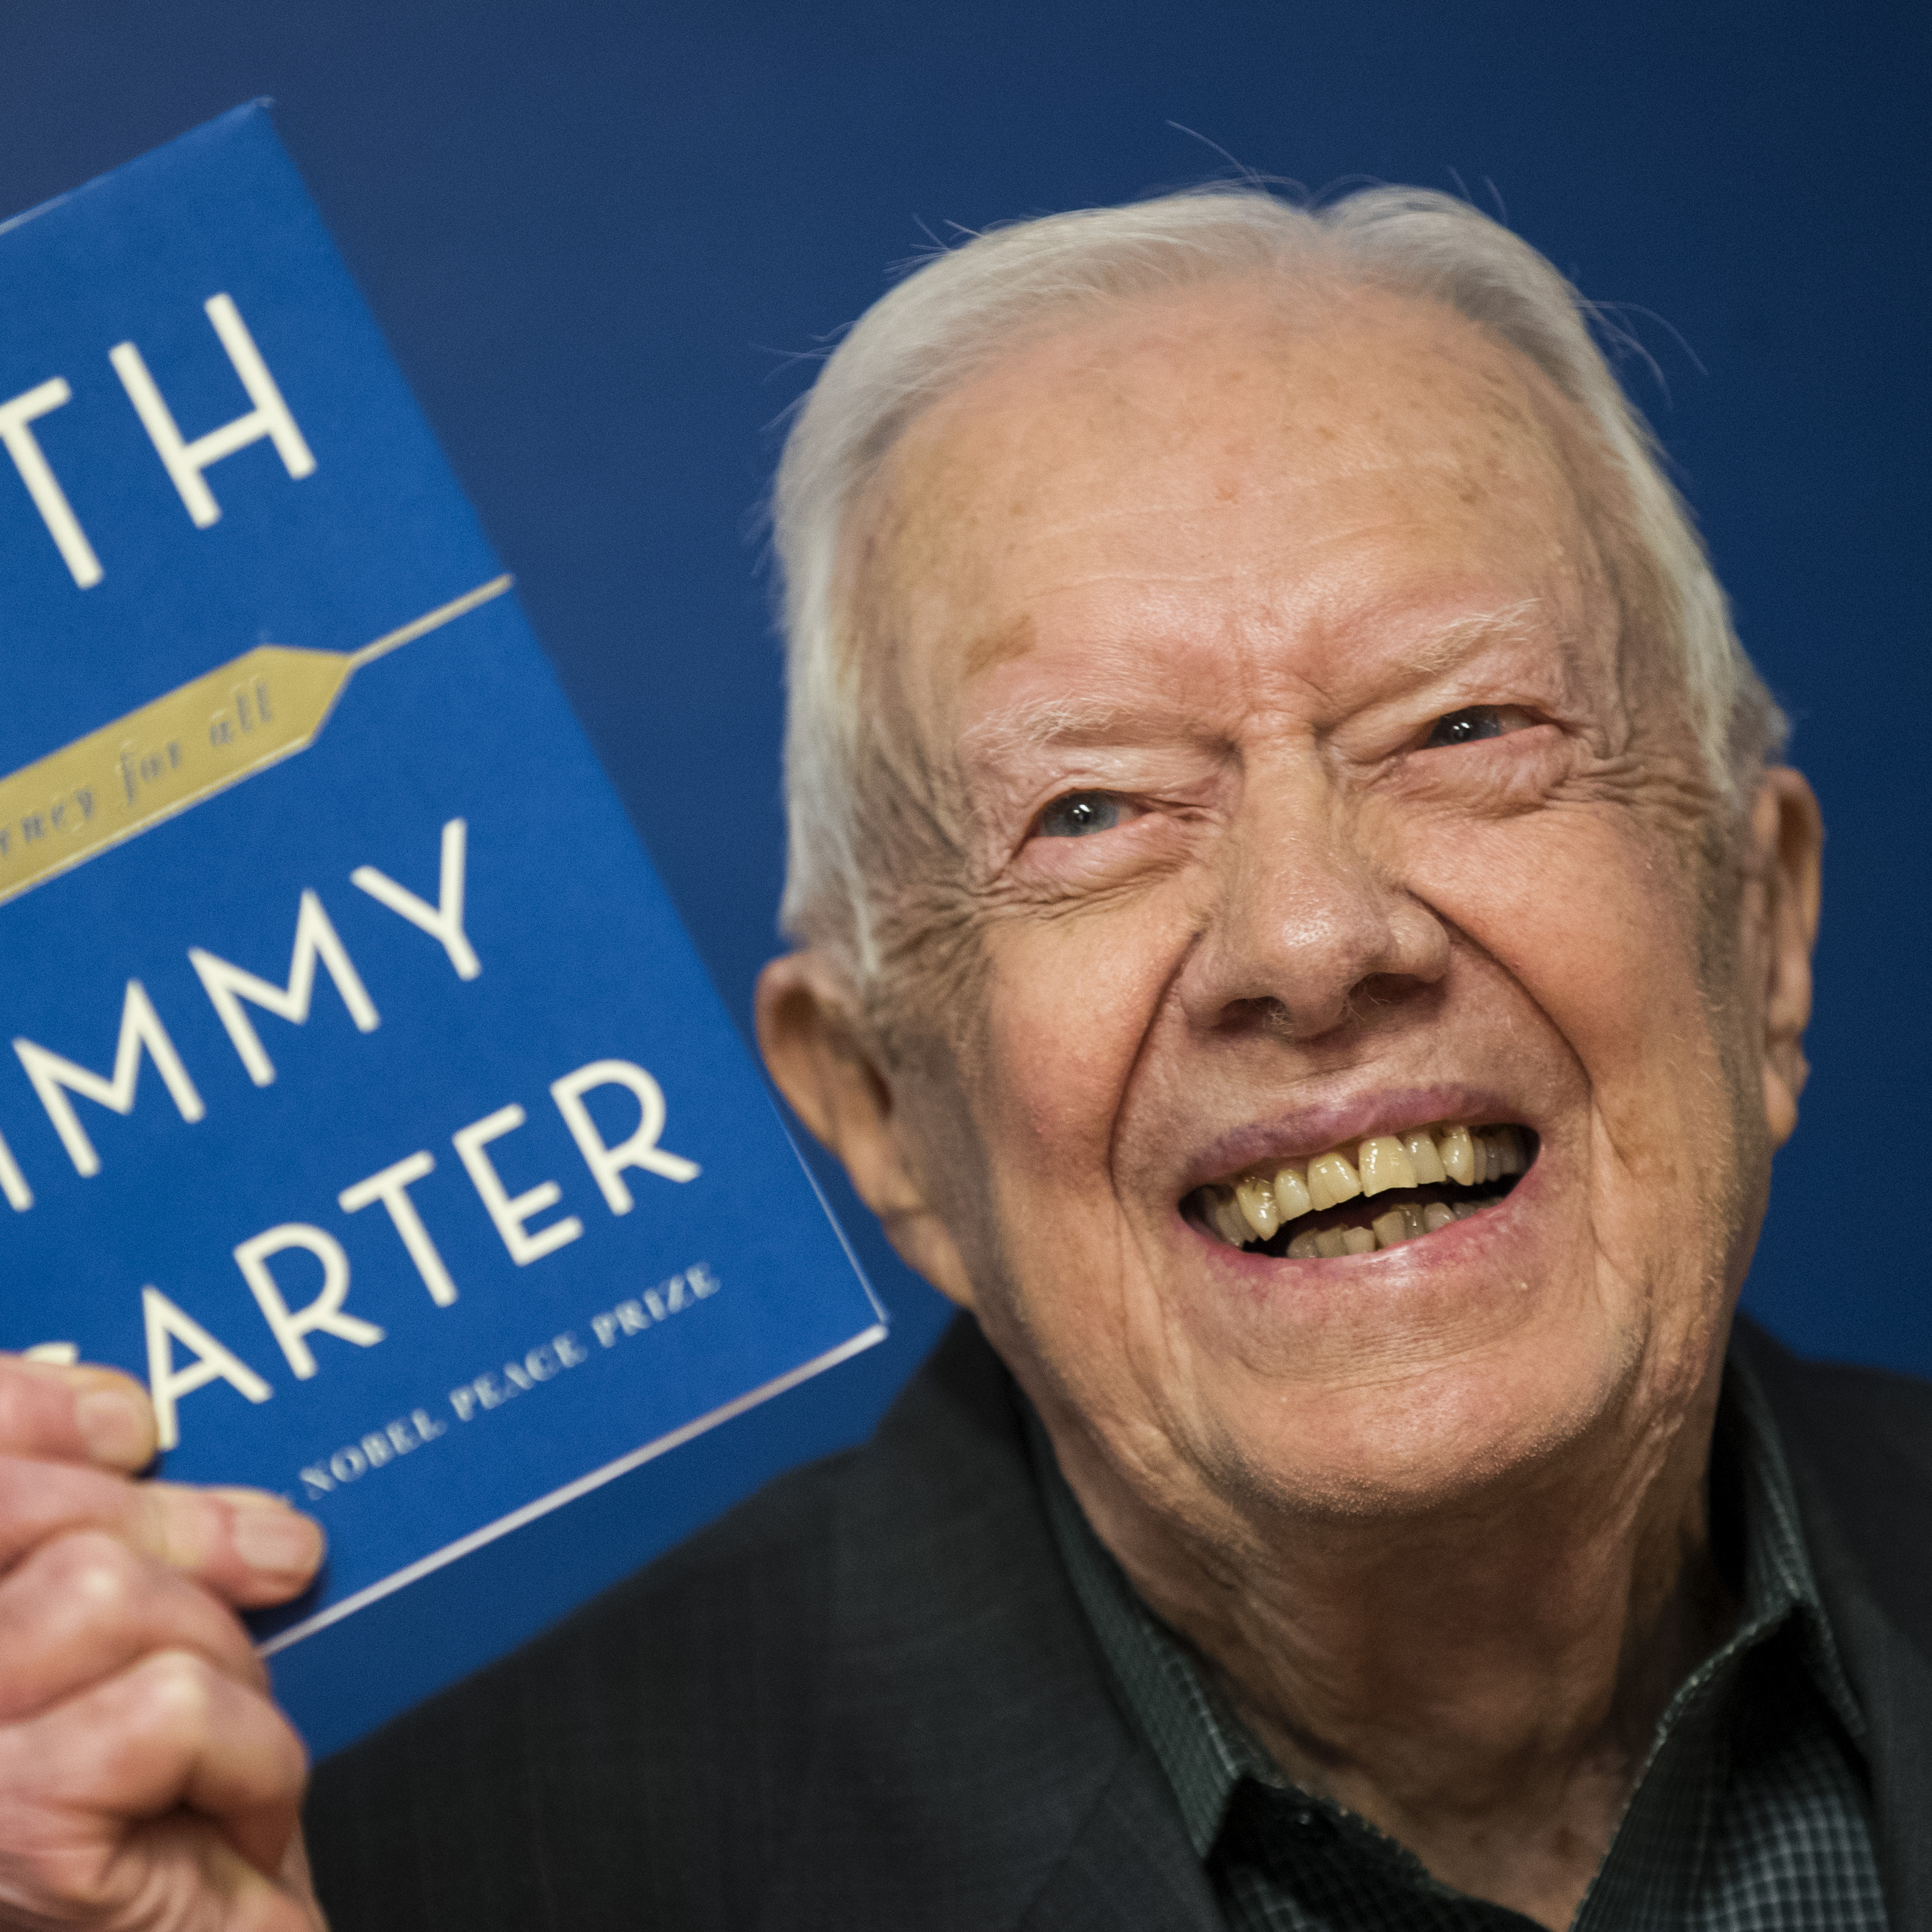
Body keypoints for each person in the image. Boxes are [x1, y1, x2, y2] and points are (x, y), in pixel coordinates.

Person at [0, 184, 1926, 1932]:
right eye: (1087, 810)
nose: (1314, 939)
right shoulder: (406, 1888)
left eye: (1462, 725)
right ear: (878, 1111)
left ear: (1756, 928)